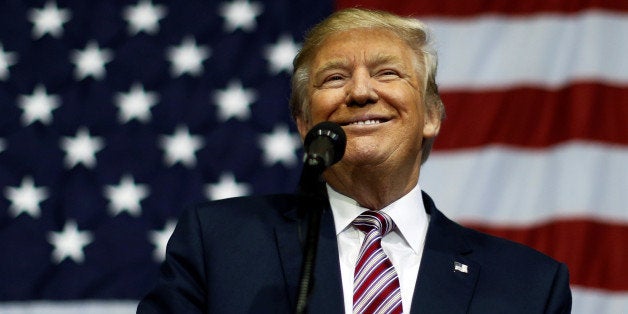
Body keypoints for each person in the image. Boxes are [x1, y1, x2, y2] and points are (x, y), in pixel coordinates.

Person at [138, 8, 572, 313]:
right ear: (305, 124)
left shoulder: (528, 285)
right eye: (335, 78)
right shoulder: (221, 244)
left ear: (432, 116)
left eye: (387, 73)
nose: (361, 92)